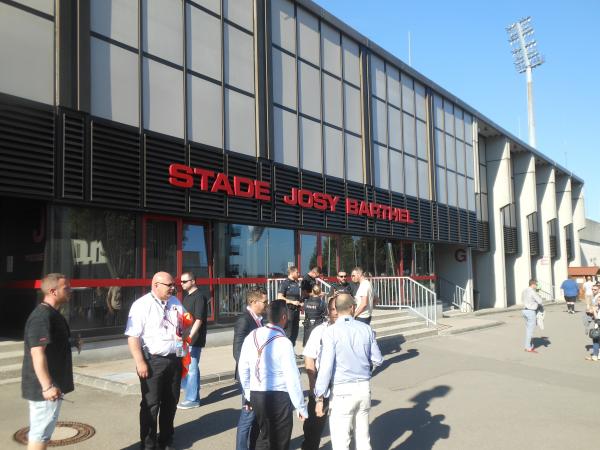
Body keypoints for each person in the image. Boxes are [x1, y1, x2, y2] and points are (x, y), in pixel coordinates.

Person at [314, 293, 383, 450]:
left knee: (341, 442)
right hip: (363, 387)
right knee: (364, 439)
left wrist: (320, 397)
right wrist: (366, 368)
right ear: (352, 308)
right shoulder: (366, 329)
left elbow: (325, 367)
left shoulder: (331, 332)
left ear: (336, 309)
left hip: (341, 389)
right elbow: (378, 359)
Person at [125, 272, 185, 450]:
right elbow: (133, 336)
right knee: (151, 405)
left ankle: (166, 440)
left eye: (174, 284)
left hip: (174, 360)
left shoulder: (175, 302)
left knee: (171, 401)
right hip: (153, 362)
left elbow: (182, 326)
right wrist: (140, 362)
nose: (173, 288)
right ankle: (148, 444)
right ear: (156, 285)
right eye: (169, 285)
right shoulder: (141, 305)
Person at [238, 300, 308, 450]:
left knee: (262, 437)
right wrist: (301, 406)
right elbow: (292, 378)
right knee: (279, 441)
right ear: (284, 317)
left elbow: (243, 367)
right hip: (278, 397)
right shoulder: (284, 342)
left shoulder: (252, 335)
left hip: (257, 394)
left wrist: (249, 394)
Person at [21, 274, 75, 450]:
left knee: (42, 433)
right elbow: (37, 352)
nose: (70, 290)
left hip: (53, 386)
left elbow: (52, 343)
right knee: (40, 435)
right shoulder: (42, 316)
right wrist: (47, 386)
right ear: (53, 291)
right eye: (66, 288)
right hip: (43, 389)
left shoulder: (52, 314)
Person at [232, 287, 268, 450]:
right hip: (249, 376)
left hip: (259, 375)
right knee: (248, 416)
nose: (266, 305)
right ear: (253, 302)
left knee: (255, 416)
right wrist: (251, 372)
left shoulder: (261, 319)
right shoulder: (244, 320)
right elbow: (237, 351)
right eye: (264, 302)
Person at [301, 296, 338, 450]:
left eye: (339, 308)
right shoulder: (320, 331)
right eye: (333, 309)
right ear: (328, 311)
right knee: (313, 430)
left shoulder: (355, 330)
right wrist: (313, 388)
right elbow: (309, 359)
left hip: (344, 389)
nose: (336, 312)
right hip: (321, 386)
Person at [178, 272, 208, 410]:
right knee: (187, 367)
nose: (181, 284)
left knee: (191, 368)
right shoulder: (187, 297)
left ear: (193, 281)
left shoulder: (200, 297)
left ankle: (192, 399)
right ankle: (191, 391)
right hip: (183, 339)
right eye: (181, 281)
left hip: (193, 340)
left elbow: (199, 320)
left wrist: (190, 337)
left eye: (184, 281)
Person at [277, 266, 302, 348]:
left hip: (296, 311)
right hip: (288, 311)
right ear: (292, 273)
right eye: (297, 272)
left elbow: (297, 298)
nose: (298, 274)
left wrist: (300, 304)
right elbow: (279, 297)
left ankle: (292, 352)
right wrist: (292, 302)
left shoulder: (296, 283)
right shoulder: (285, 283)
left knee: (295, 333)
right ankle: (284, 353)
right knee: (288, 333)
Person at [521, 278, 544, 353]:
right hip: (531, 311)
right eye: (536, 284)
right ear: (533, 284)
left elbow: (522, 299)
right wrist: (537, 295)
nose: (537, 286)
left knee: (528, 329)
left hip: (524, 310)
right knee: (530, 330)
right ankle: (528, 347)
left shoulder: (524, 290)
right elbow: (540, 301)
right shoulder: (532, 291)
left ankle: (527, 346)